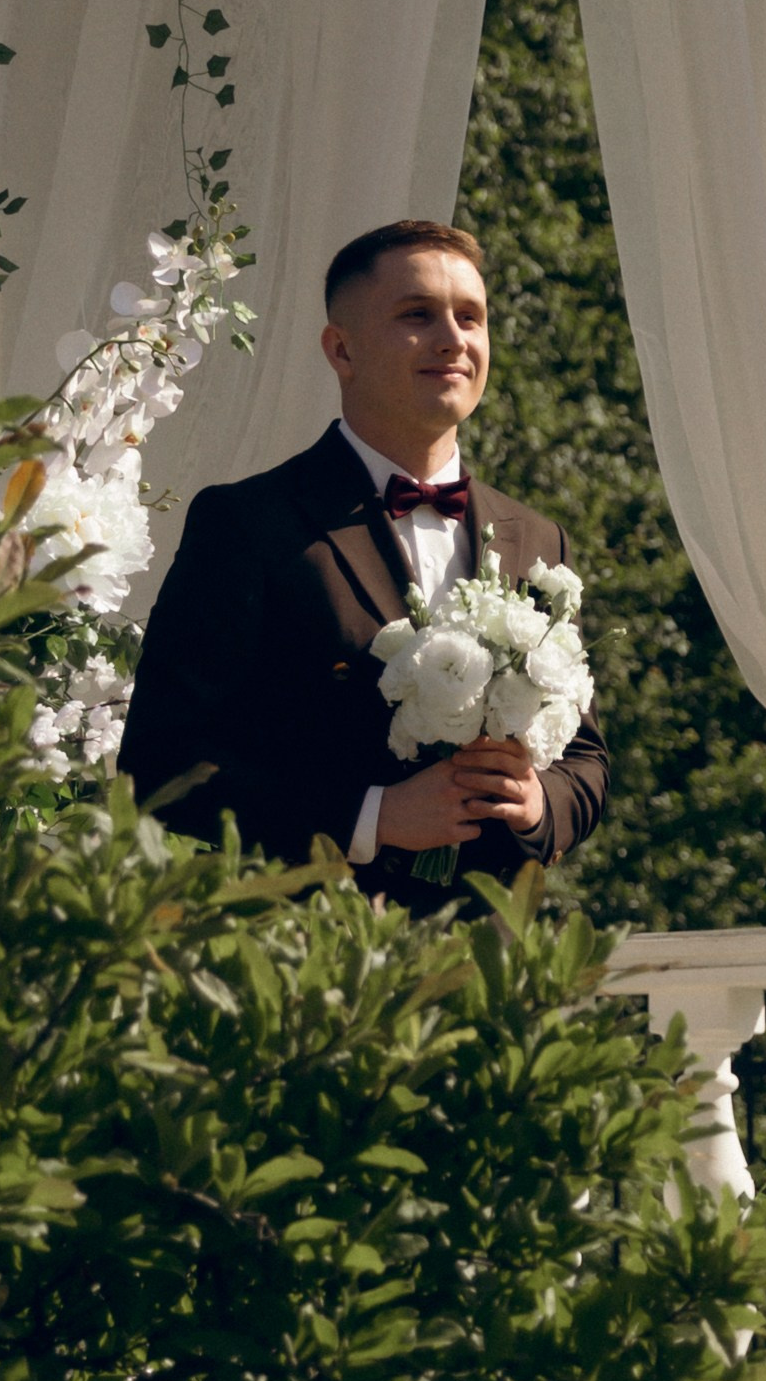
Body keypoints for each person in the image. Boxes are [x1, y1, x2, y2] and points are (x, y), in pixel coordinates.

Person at [120, 216, 608, 898]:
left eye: (471, 317)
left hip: (492, 959)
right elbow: (161, 764)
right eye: (418, 315)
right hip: (313, 959)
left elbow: (585, 759)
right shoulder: (248, 524)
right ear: (341, 350)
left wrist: (537, 803)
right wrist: (371, 817)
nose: (453, 340)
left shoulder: (536, 537)